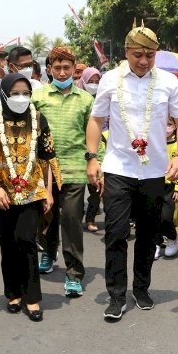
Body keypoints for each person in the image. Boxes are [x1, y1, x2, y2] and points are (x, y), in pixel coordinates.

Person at [86, 21, 178, 320]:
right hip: (118, 168)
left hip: (155, 171)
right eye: (137, 55)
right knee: (116, 234)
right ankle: (116, 296)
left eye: (150, 55)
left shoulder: (168, 82)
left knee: (148, 234)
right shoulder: (109, 79)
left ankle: (141, 288)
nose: (143, 61)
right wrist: (92, 158)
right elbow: (96, 120)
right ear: (126, 52)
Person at [0, 73, 60, 322]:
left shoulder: (39, 119)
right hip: (2, 193)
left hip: (31, 190)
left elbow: (47, 159)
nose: (21, 98)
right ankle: (13, 293)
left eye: (26, 93)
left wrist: (48, 191)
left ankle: (32, 297)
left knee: (27, 241)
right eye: (15, 93)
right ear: (5, 94)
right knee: (8, 244)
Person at [32, 46, 94, 297]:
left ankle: (74, 273)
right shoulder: (38, 98)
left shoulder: (86, 100)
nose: (61, 72)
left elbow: (93, 136)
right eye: (56, 68)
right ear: (49, 69)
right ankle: (48, 252)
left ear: (74, 68)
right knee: (45, 217)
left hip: (75, 168)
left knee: (70, 220)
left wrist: (95, 163)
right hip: (43, 169)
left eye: (66, 67)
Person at [77, 66, 103, 231]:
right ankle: (76, 216)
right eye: (90, 82)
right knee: (77, 189)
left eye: (97, 82)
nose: (94, 85)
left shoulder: (103, 98)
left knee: (95, 188)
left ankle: (91, 218)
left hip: (99, 148)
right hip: (79, 150)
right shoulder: (77, 99)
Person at [157, 117, 178, 259]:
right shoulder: (155, 143)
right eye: (164, 124)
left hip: (170, 186)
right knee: (152, 217)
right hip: (154, 184)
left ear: (175, 126)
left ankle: (172, 237)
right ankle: (156, 243)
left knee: (167, 217)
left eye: (169, 124)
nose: (166, 128)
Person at [0, 47, 34, 112]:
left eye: (30, 65)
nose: (28, 69)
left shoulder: (38, 86)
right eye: (24, 65)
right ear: (12, 66)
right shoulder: (1, 91)